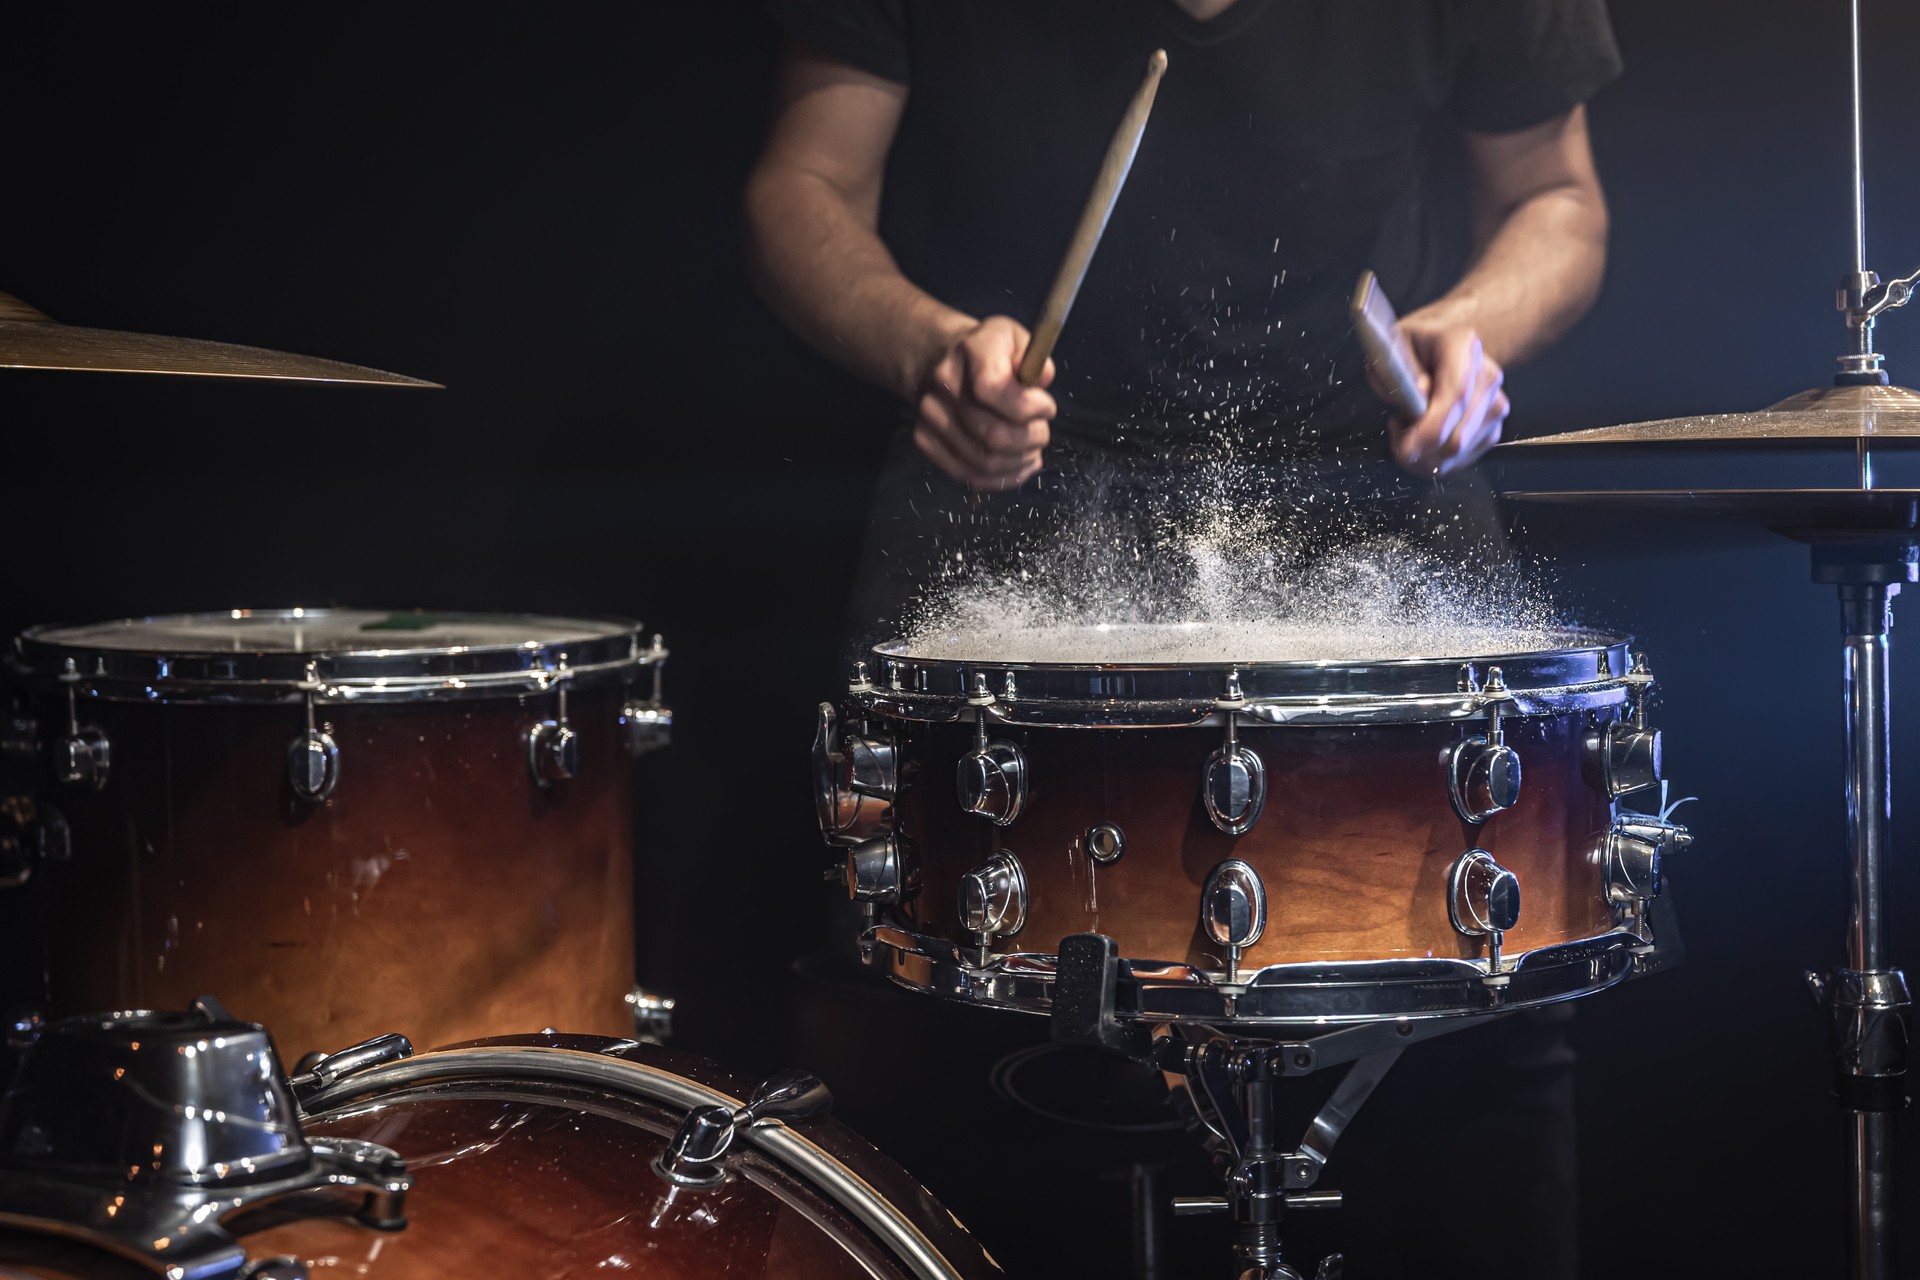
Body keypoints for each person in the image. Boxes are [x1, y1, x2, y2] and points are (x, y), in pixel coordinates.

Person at [748, 4, 1618, 1276]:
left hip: (1366, 481)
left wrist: (1476, 328)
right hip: (1015, 482)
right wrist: (929, 351)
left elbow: (1558, 195)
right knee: (942, 1024)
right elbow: (803, 184)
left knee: (1474, 1010)